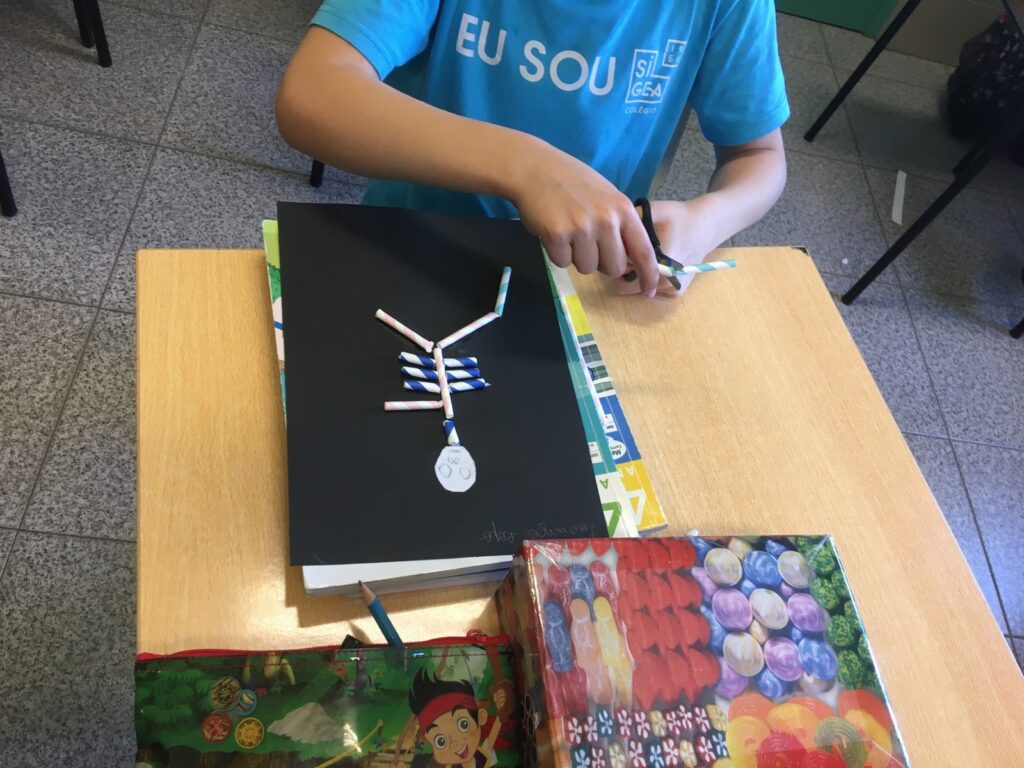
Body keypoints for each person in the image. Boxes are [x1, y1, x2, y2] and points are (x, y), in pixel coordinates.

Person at [276, 1, 789, 299]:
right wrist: (527, 167)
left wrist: (704, 221)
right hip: (411, 249)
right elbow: (313, 93)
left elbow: (758, 157)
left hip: (585, 284)